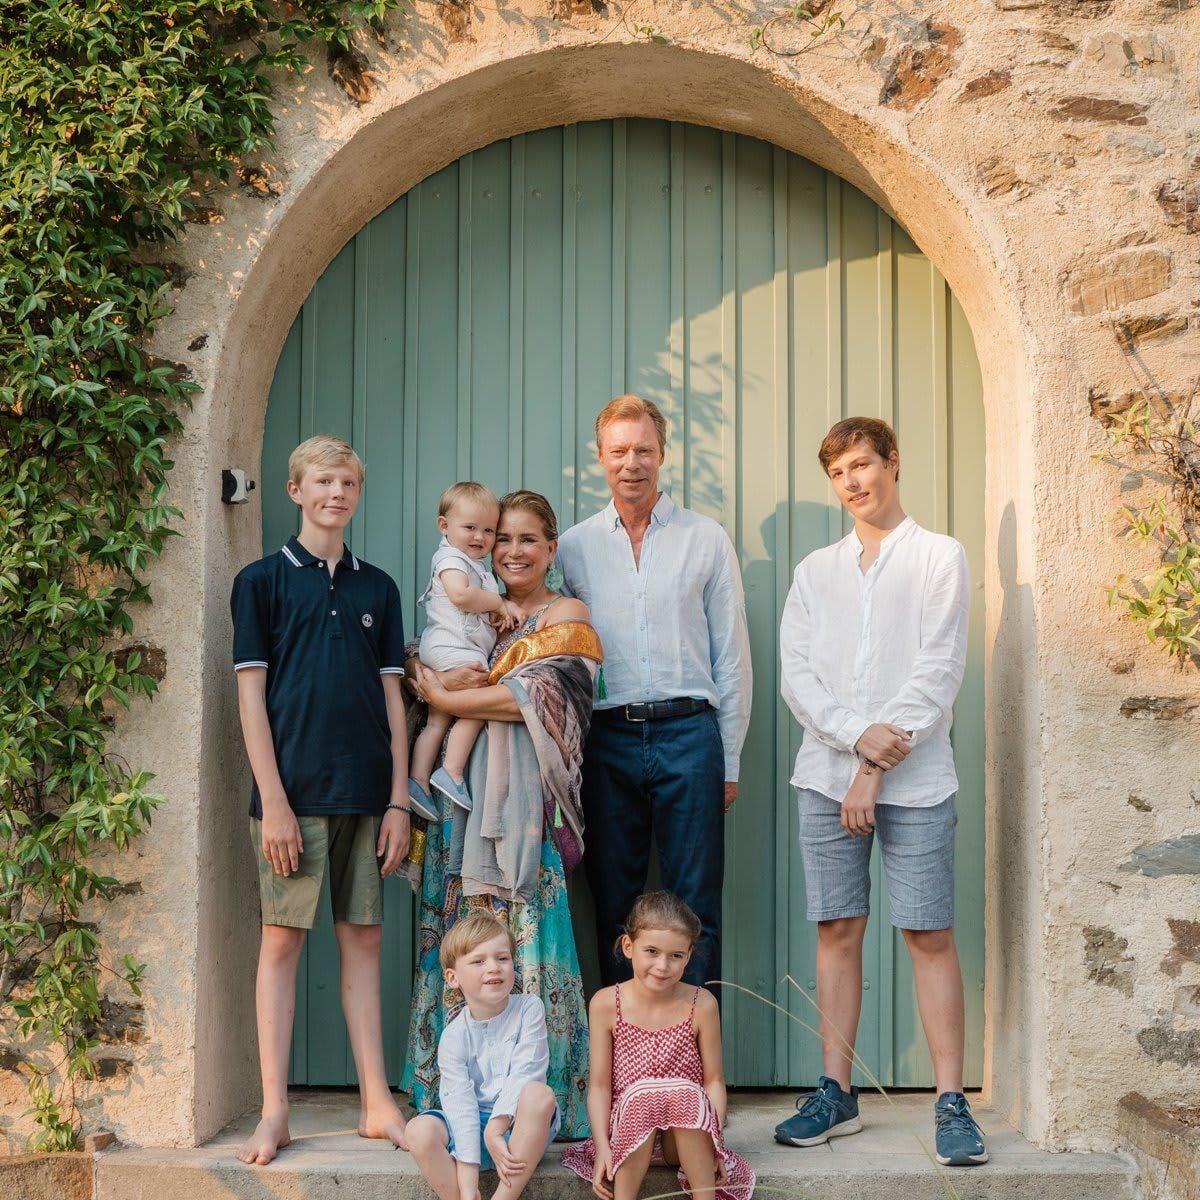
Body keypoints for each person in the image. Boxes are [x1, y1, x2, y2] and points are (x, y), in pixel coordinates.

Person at [774, 416, 986, 1167]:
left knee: (927, 933)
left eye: (864, 465)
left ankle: (951, 1102)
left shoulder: (938, 557)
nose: (854, 482)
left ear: (894, 463)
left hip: (917, 780)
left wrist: (876, 763)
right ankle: (836, 1092)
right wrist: (853, 739)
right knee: (837, 930)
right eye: (839, 473)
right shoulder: (815, 571)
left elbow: (937, 671)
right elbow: (798, 675)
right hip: (825, 776)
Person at [229, 434, 412, 1165]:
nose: (337, 493)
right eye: (323, 481)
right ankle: (275, 1111)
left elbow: (394, 699)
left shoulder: (380, 588)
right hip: (293, 798)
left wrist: (400, 800)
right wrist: (272, 800)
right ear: (295, 490)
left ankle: (375, 1101)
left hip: (368, 796)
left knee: (363, 940)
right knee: (283, 943)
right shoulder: (261, 582)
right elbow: (249, 698)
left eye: (348, 483)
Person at [401, 490, 603, 1138]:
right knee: (463, 938)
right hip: (461, 806)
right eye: (503, 538)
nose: (513, 550)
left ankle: (541, 1099)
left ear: (550, 548)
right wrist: (424, 676)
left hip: (525, 813)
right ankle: (454, 1094)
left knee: (526, 935)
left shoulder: (563, 612)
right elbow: (424, 658)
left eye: (527, 539)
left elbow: (536, 701)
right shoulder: (474, 602)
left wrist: (442, 694)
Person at [556, 395, 752, 990]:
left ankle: (694, 1061)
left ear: (662, 454)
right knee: (614, 900)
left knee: (697, 905)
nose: (631, 462)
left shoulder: (705, 539)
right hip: (605, 737)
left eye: (643, 449)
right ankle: (623, 1063)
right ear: (600, 458)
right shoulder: (574, 546)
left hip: (690, 735)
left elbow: (732, 656)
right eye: (619, 451)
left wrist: (730, 758)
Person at [560, 892, 755, 1200]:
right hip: (628, 1135)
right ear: (628, 946)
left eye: (676, 955)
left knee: (686, 1093)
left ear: (689, 955)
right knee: (642, 1096)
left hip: (685, 1138)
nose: (662, 966)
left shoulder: (701, 1004)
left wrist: (714, 1144)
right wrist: (601, 1148)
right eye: (651, 951)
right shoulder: (606, 1003)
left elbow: (714, 1081)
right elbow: (598, 1086)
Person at [407, 913, 561, 1200]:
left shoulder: (529, 1008)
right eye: (479, 961)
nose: (494, 968)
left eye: (502, 958)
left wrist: (496, 1129)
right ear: (453, 977)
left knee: (540, 1095)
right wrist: (467, 1184)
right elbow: (461, 1108)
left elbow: (526, 1071)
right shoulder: (453, 1036)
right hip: (471, 1131)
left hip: (518, 1133)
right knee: (417, 1131)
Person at [409, 482, 524, 819]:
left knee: (437, 721)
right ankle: (452, 771)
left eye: (489, 530)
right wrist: (501, 602)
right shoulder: (450, 558)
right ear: (444, 527)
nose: (480, 537)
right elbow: (461, 596)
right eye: (470, 528)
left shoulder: (477, 567)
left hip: (450, 648)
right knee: (481, 695)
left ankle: (417, 781)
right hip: (451, 649)